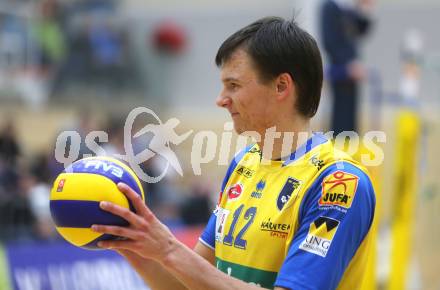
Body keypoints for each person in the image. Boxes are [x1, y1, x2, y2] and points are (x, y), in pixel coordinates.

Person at [91, 17, 375, 290]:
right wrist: (134, 244)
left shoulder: (338, 183)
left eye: (234, 85)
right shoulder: (244, 163)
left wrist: (168, 249)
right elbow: (190, 284)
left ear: (281, 86)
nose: (221, 99)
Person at [320, 0, 374, 135]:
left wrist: (366, 8)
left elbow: (361, 30)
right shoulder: (329, 7)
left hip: (351, 72)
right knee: (340, 115)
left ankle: (349, 149)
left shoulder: (348, 8)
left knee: (351, 117)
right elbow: (330, 42)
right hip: (340, 71)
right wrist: (347, 66)